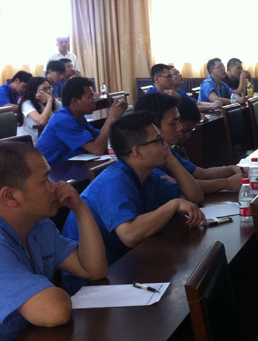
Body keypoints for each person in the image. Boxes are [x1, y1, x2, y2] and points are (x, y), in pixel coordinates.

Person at [0, 142, 108, 341]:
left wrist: (80, 208)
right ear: (10, 196)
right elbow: (54, 311)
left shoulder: (38, 225)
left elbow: (94, 270)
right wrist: (58, 295)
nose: (56, 186)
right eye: (45, 181)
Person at [62, 111, 205, 264]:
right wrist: (173, 205)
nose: (165, 146)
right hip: (94, 272)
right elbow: (129, 235)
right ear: (137, 152)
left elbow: (194, 197)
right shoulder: (114, 181)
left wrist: (170, 160)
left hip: (126, 259)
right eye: (159, 140)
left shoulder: (148, 176)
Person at [134, 92, 244, 194]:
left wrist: (232, 169)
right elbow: (180, 186)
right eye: (173, 123)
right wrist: (227, 183)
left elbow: (201, 174)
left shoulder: (167, 150)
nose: (179, 128)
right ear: (152, 125)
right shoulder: (144, 158)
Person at [36, 76, 128, 166]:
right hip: (50, 170)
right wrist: (112, 118)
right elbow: (97, 149)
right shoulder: (63, 120)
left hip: (69, 165)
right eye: (90, 97)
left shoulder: (78, 117)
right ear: (75, 102)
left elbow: (98, 139)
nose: (94, 101)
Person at [15, 77, 61, 145]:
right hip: (28, 144)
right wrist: (49, 101)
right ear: (33, 92)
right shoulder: (26, 104)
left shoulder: (52, 101)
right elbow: (41, 121)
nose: (49, 91)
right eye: (44, 89)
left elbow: (66, 112)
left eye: (49, 88)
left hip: (46, 140)